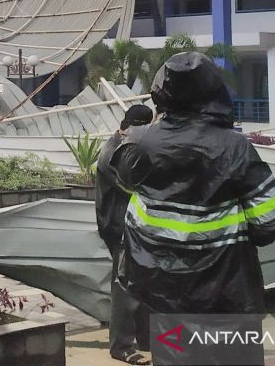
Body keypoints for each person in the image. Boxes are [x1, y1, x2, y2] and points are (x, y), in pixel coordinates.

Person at [111, 52, 275, 366]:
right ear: (214, 93)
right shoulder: (235, 147)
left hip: (165, 298)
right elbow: (270, 219)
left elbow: (126, 192)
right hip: (230, 297)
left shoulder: (139, 143)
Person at [96, 104, 155, 365]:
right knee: (125, 287)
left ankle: (148, 339)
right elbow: (136, 186)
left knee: (143, 284)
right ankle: (121, 345)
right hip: (120, 228)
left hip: (135, 227)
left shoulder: (127, 146)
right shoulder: (113, 154)